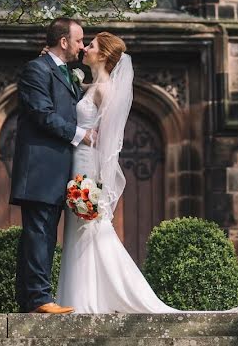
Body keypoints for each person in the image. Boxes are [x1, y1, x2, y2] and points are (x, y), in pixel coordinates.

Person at [53, 31, 186, 313]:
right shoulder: (91, 85)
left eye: (90, 45)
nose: (85, 48)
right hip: (77, 161)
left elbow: (109, 141)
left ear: (102, 55)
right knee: (80, 229)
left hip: (87, 166)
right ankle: (80, 297)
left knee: (89, 226)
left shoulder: (104, 90)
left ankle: (88, 299)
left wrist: (96, 183)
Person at [10, 17, 96, 314]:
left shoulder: (64, 73)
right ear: (63, 41)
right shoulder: (37, 69)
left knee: (42, 232)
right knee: (40, 233)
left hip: (54, 170)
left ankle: (29, 299)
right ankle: (39, 299)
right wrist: (80, 134)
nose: (82, 46)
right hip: (40, 168)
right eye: (79, 40)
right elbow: (41, 113)